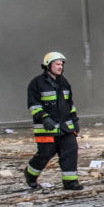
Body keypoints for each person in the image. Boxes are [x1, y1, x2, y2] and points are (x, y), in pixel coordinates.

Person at [25, 51, 82, 190]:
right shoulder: (36, 83)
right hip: (46, 129)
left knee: (70, 151)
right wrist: (44, 118)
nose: (60, 67)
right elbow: (33, 105)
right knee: (45, 154)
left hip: (65, 127)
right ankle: (30, 175)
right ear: (48, 65)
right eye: (57, 64)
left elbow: (70, 104)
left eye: (61, 64)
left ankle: (70, 182)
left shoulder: (64, 82)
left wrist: (74, 121)